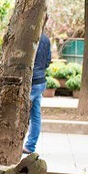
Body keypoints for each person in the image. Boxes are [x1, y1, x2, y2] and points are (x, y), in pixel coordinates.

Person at [23, 24, 51, 154]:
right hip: (41, 82)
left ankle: (18, 143)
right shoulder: (45, 39)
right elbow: (48, 61)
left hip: (31, 82)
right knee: (35, 116)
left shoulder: (28, 38)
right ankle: (30, 146)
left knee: (21, 113)